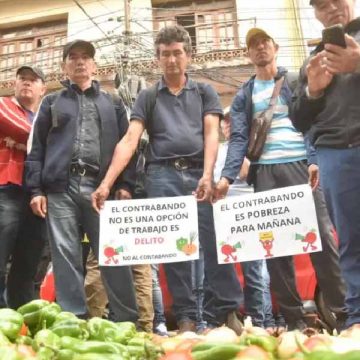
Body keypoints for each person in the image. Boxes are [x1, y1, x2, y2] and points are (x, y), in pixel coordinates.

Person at [92, 25, 244, 334]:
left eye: (177, 53)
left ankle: (226, 313)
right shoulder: (148, 96)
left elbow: (211, 133)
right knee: (174, 248)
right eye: (164, 54)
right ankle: (186, 317)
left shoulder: (205, 91)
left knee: (216, 241)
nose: (171, 60)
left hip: (198, 174)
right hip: (161, 176)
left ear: (188, 56)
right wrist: (106, 183)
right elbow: (130, 139)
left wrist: (207, 173)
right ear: (157, 59)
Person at [214, 28, 346, 331]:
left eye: (264, 43)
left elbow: (313, 121)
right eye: (253, 45)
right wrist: (226, 177)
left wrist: (314, 161)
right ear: (249, 54)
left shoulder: (297, 81)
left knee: (322, 240)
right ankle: (295, 320)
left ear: (276, 47)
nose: (260, 48)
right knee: (276, 249)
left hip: (302, 168)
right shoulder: (244, 95)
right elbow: (237, 140)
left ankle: (342, 313)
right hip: (265, 174)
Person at [25, 39, 138, 322]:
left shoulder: (111, 102)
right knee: (65, 256)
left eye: (85, 57)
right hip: (60, 188)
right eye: (73, 57)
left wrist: (125, 185)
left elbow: (128, 145)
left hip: (101, 189)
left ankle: (126, 320)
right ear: (64, 66)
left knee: (113, 253)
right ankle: (74, 319)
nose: (80, 62)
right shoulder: (52, 102)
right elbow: (36, 148)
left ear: (94, 65)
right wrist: (36, 189)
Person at [290, 0, 360, 329]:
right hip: (335, 156)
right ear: (315, 14)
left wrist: (358, 63)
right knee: (349, 241)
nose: (331, 9)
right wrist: (313, 91)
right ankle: (357, 320)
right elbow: (299, 119)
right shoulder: (312, 60)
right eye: (321, 6)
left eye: (336, 1)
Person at [0, 65, 47, 309]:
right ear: (15, 84)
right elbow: (37, 137)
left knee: (28, 261)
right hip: (6, 188)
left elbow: (36, 141)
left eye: (33, 80)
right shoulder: (4, 105)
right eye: (22, 79)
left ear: (43, 89)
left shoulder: (43, 116)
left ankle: (21, 317)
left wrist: (22, 146)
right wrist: (41, 143)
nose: (26, 83)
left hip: (35, 194)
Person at [214, 113, 265, 328]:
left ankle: (260, 320)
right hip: (223, 217)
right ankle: (233, 319)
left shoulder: (249, 147)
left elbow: (244, 172)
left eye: (231, 121)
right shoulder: (218, 150)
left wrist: (239, 147)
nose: (226, 125)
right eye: (224, 122)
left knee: (253, 272)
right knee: (226, 271)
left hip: (246, 215)